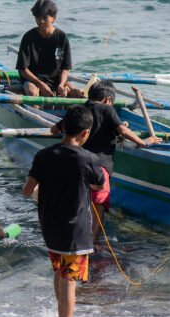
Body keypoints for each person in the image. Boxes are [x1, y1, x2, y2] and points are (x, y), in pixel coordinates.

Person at [22, 105, 105, 317]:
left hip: (49, 227)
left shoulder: (43, 155)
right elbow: (98, 186)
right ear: (85, 133)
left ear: (63, 127)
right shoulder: (88, 159)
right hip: (75, 230)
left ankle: (60, 315)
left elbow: (27, 191)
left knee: (59, 271)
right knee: (70, 278)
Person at [51, 80, 160, 232]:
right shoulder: (107, 110)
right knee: (99, 205)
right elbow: (122, 130)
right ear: (108, 99)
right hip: (99, 165)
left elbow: (53, 130)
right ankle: (93, 243)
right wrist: (143, 142)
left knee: (78, 202)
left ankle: (73, 235)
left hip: (76, 163)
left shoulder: (78, 110)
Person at [15, 0, 83, 98]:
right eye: (38, 17)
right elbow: (23, 70)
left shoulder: (62, 37)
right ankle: (36, 112)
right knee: (33, 92)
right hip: (33, 81)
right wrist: (40, 84)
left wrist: (61, 84)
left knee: (78, 93)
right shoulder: (28, 37)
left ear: (53, 18)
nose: (41, 21)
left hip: (55, 81)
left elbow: (65, 68)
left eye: (44, 18)